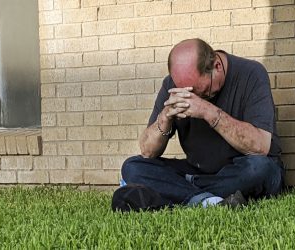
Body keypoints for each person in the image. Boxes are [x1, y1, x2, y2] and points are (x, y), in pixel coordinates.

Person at [118, 38, 285, 209]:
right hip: (197, 171)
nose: (194, 96)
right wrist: (165, 116)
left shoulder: (251, 73)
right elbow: (147, 151)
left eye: (202, 92)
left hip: (242, 169)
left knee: (260, 169)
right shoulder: (173, 85)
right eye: (188, 92)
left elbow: (260, 146)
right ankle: (209, 201)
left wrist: (207, 110)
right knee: (133, 167)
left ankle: (180, 194)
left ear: (217, 66)